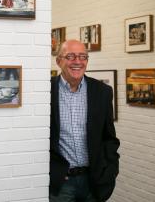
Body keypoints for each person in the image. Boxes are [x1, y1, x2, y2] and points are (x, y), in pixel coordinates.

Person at [50, 39, 120, 202]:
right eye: (71, 56)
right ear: (59, 61)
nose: (78, 62)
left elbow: (109, 137)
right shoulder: (46, 90)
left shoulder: (102, 92)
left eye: (83, 57)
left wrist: (110, 171)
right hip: (61, 184)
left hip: (93, 180)